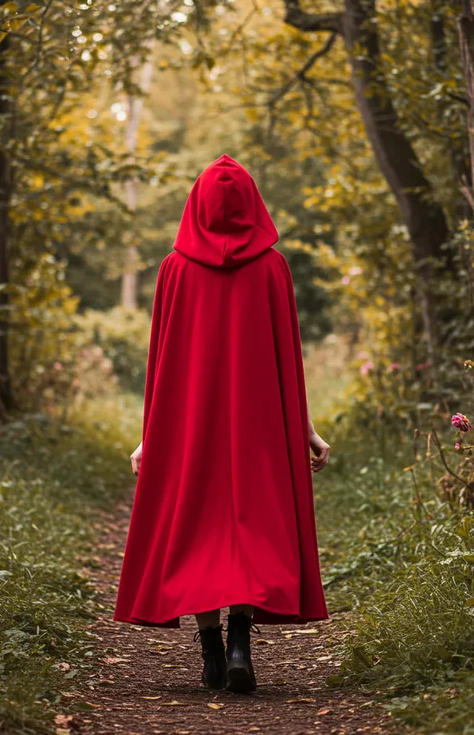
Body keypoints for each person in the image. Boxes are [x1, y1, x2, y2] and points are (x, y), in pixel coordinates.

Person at [113, 154, 330, 694]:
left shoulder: (174, 269)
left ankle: (211, 651)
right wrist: (304, 429)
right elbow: (288, 363)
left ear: (196, 203)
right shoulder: (272, 268)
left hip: (190, 431)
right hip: (258, 430)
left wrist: (150, 436)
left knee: (196, 529)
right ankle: (239, 643)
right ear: (254, 203)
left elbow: (163, 365)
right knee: (252, 526)